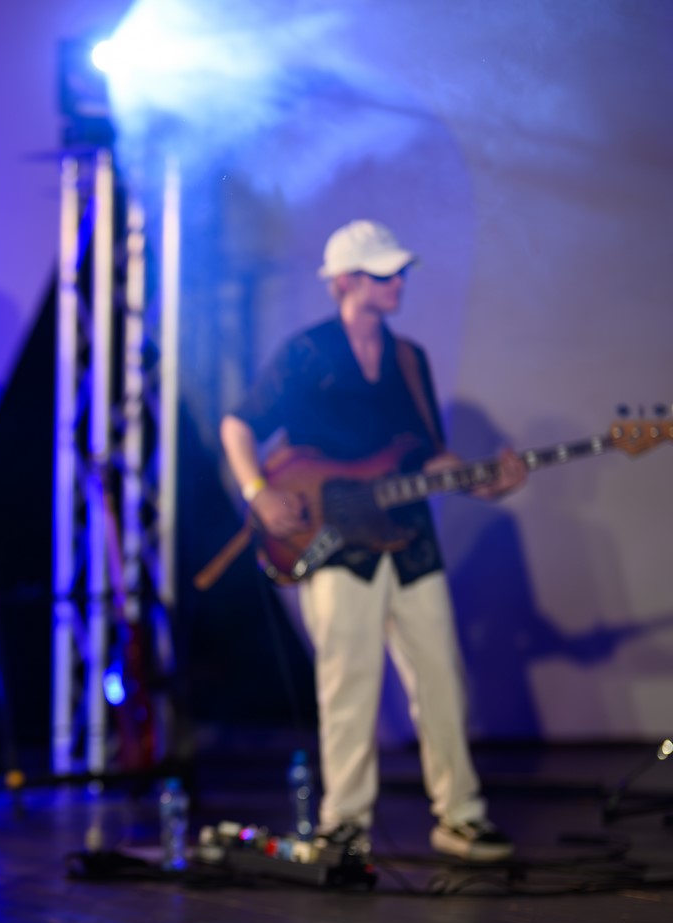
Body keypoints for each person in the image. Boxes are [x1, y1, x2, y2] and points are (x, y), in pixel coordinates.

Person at [220, 219, 527, 863]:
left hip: (410, 538)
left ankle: (460, 816)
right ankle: (345, 823)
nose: (399, 284)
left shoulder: (409, 358)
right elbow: (238, 424)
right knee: (348, 682)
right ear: (345, 282)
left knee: (441, 678)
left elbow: (430, 455)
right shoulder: (306, 354)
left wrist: (484, 483)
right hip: (335, 542)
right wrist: (258, 493)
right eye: (385, 274)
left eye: (399, 272)